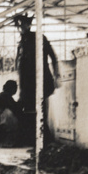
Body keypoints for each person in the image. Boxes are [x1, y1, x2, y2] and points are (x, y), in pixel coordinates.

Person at [14, 14, 60, 146]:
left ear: (29, 25)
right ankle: (33, 140)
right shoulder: (22, 42)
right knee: (29, 111)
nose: (21, 28)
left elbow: (53, 56)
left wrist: (57, 75)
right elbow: (19, 64)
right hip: (27, 84)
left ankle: (44, 140)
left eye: (23, 24)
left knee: (40, 110)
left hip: (40, 80)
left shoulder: (39, 38)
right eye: (19, 26)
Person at [0, 80, 23, 147]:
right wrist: (21, 100)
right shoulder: (5, 96)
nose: (16, 90)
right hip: (0, 123)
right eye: (15, 88)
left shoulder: (3, 95)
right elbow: (15, 108)